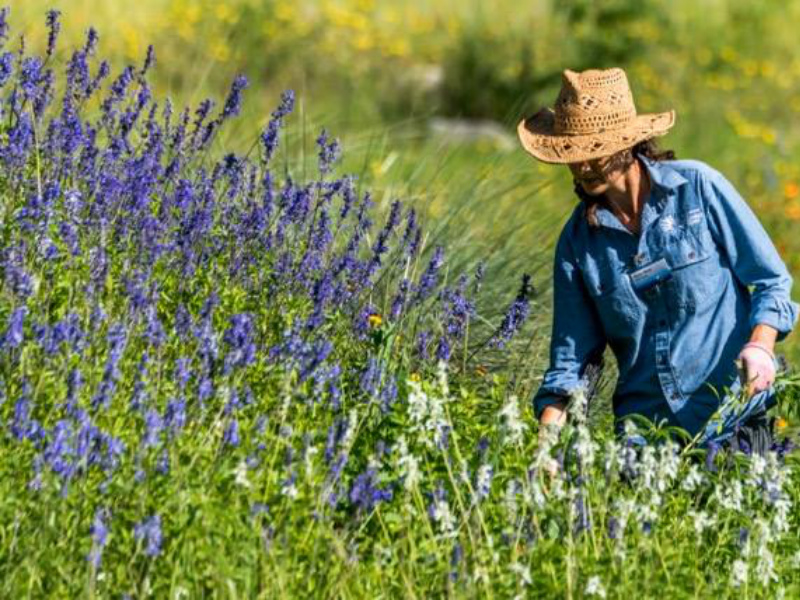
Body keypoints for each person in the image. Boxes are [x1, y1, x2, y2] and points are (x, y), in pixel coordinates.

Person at [516, 67, 799, 452]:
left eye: (592, 151)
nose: (581, 165)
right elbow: (572, 360)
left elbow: (771, 281)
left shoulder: (698, 189)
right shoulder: (578, 243)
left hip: (731, 418)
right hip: (646, 442)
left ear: (626, 144)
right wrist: (545, 445)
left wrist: (761, 346)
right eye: (573, 153)